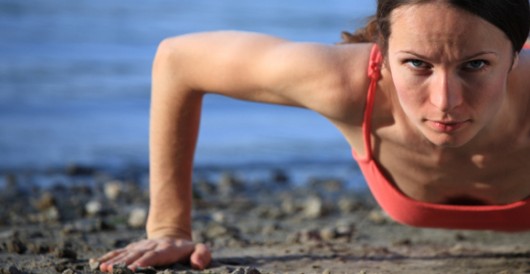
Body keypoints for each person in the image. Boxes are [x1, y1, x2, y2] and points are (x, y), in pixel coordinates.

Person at [93, 0, 530, 272]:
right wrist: (169, 227)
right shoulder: (346, 85)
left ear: (515, 55)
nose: (445, 100)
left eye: (475, 65)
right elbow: (178, 60)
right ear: (381, 50)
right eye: (417, 64)